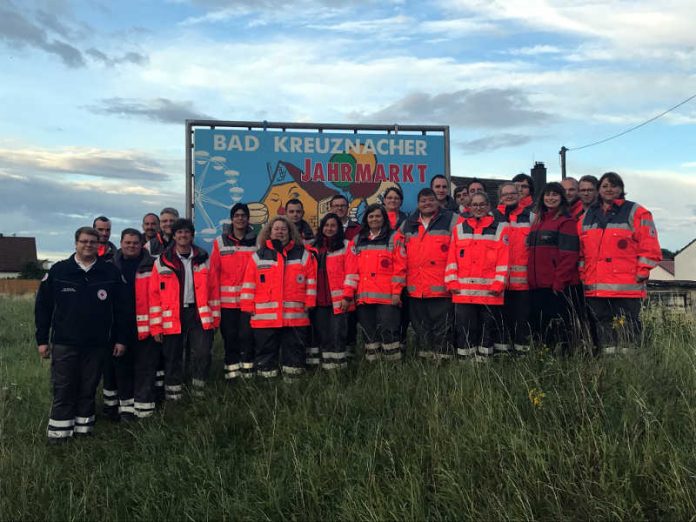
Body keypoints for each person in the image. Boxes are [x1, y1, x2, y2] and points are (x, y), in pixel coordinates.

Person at [35, 226, 129, 442]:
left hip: (97, 344)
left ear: (99, 245)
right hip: (65, 342)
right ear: (76, 243)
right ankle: (59, 434)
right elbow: (43, 307)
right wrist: (42, 340)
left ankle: (84, 430)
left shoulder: (110, 272)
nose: (88, 245)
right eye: (84, 241)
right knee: (64, 387)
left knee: (88, 387)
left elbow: (123, 310)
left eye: (93, 242)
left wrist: (121, 339)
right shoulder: (59, 271)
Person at [578, 172, 661, 355]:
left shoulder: (636, 212)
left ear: (621, 189)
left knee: (629, 326)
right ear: (599, 190)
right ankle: (609, 363)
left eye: (614, 186)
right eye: (605, 186)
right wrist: (583, 275)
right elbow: (581, 252)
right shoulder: (587, 216)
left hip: (627, 286)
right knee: (603, 325)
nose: (609, 189)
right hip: (596, 286)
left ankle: (629, 364)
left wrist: (642, 271)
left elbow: (650, 246)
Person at [149, 219, 220, 399]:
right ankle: (174, 396)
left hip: (198, 314)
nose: (183, 235)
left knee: (202, 353)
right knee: (173, 356)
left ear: (192, 235)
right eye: (179, 232)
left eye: (187, 232)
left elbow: (213, 290)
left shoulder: (204, 258)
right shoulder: (162, 261)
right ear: (174, 236)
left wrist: (215, 320)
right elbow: (154, 295)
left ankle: (198, 392)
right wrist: (156, 327)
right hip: (173, 315)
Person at [240, 216, 317, 379]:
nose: (280, 232)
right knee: (265, 352)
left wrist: (310, 302)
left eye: (284, 229)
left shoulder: (303, 254)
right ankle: (267, 386)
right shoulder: (258, 256)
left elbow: (311, 281)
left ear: (290, 232)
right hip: (265, 318)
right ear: (269, 232)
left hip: (294, 317)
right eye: (276, 229)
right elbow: (248, 284)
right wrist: (247, 307)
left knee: (294, 352)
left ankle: (293, 386)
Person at [445, 192, 509, 360]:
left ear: (489, 206)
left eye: (482, 205)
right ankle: (466, 366)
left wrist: (498, 284)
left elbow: (504, 260)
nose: (478, 208)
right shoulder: (459, 229)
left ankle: (484, 365)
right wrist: (452, 282)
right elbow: (452, 259)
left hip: (490, 292)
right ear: (469, 207)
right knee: (465, 330)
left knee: (487, 330)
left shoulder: (500, 228)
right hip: (463, 293)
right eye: (475, 205)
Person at [396, 188, 459, 359]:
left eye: (430, 200)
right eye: (423, 201)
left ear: (437, 201)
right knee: (421, 328)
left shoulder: (452, 220)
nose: (427, 203)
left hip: (442, 289)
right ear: (418, 204)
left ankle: (443, 362)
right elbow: (399, 255)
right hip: (416, 290)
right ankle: (425, 363)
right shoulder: (407, 224)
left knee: (443, 328)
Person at [344, 204, 404, 361]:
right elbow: (351, 270)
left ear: (384, 218)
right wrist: (350, 294)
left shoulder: (394, 237)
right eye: (371, 216)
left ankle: (393, 366)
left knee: (389, 332)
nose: (374, 219)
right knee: (369, 334)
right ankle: (373, 367)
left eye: (378, 216)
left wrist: (397, 293)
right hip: (364, 298)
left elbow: (400, 268)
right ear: (366, 219)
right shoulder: (357, 240)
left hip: (388, 298)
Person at [110, 229, 158, 419]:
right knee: (122, 369)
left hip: (146, 327)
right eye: (128, 243)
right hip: (119, 328)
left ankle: (144, 411)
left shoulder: (154, 265)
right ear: (121, 243)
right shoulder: (111, 266)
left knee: (145, 369)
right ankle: (127, 411)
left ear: (142, 244)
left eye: (135, 243)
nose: (131, 246)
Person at [527, 182, 580, 354]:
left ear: (562, 198)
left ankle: (564, 361)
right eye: (547, 194)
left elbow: (569, 256)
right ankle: (544, 358)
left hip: (555, 287)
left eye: (555, 195)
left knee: (559, 329)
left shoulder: (567, 222)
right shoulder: (537, 222)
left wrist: (558, 282)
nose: (551, 198)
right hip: (536, 285)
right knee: (541, 330)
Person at [209, 203, 257, 380]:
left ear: (248, 218)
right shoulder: (220, 242)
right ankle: (232, 374)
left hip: (248, 302)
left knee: (247, 337)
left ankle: (248, 373)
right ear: (231, 219)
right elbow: (213, 273)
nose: (240, 218)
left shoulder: (256, 241)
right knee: (230, 338)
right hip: (227, 304)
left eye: (243, 215)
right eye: (237, 215)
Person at [306, 213, 352, 369]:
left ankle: (339, 370)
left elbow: (351, 273)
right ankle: (325, 369)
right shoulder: (312, 247)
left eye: (333, 225)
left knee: (338, 334)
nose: (329, 228)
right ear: (321, 227)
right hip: (317, 300)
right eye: (326, 225)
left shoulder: (347, 245)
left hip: (338, 300)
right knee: (322, 335)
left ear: (339, 228)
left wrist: (347, 296)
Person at [494, 182, 533, 354]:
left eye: (513, 193)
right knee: (499, 322)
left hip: (523, 284)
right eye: (505, 194)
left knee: (521, 322)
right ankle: (502, 358)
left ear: (519, 195)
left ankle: (522, 358)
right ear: (500, 197)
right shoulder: (492, 218)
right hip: (498, 284)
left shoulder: (531, 218)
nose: (509, 196)